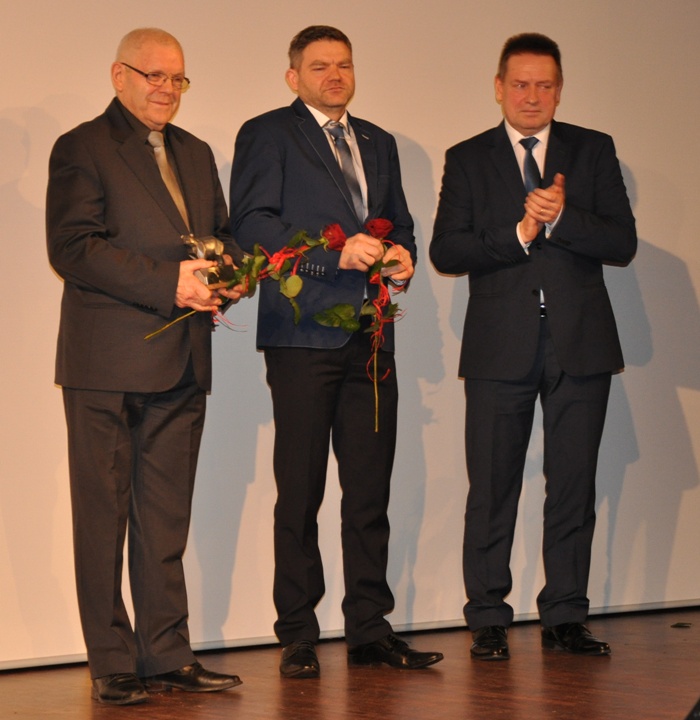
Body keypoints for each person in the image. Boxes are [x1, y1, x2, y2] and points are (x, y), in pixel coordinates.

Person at [229, 25, 443, 678]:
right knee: (300, 493)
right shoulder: (267, 133)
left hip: (371, 334)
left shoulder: (376, 141)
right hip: (302, 337)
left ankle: (370, 630)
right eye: (320, 65)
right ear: (293, 76)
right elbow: (253, 226)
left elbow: (399, 222)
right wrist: (331, 256)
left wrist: (401, 254)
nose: (335, 75)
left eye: (344, 65)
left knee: (369, 492)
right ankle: (297, 634)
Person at [46, 28, 247, 705]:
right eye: (154, 75)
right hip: (106, 363)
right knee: (101, 518)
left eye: (177, 78)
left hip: (183, 358)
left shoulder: (195, 151)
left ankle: (166, 653)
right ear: (119, 75)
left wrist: (230, 274)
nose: (167, 89)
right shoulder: (82, 146)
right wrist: (171, 283)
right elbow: (74, 248)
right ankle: (111, 661)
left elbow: (222, 234)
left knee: (165, 521)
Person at [430, 33, 636, 661]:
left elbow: (621, 242)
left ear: (559, 90)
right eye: (520, 84)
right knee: (492, 487)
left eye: (544, 85)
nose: (532, 96)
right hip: (499, 346)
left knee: (572, 486)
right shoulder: (468, 158)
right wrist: (519, 231)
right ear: (499, 88)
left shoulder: (592, 150)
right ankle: (488, 617)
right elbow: (447, 250)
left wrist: (563, 218)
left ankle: (566, 615)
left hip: (581, 345)